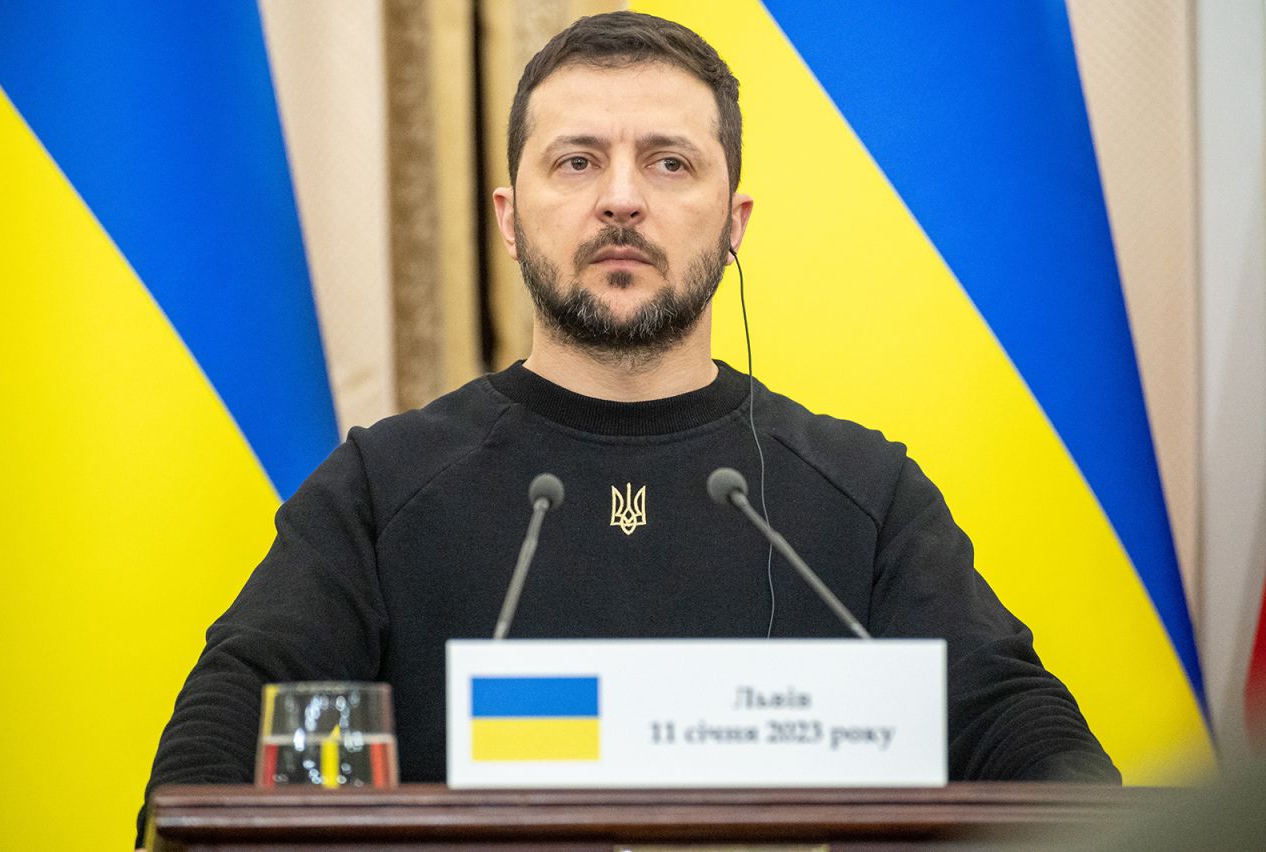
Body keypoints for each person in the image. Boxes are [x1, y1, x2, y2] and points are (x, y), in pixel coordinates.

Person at [136, 10, 1117, 847]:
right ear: (510, 217)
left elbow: (1023, 741)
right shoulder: (379, 489)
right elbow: (213, 755)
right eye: (576, 161)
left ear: (732, 222)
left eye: (667, 161)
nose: (619, 197)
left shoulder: (861, 495)